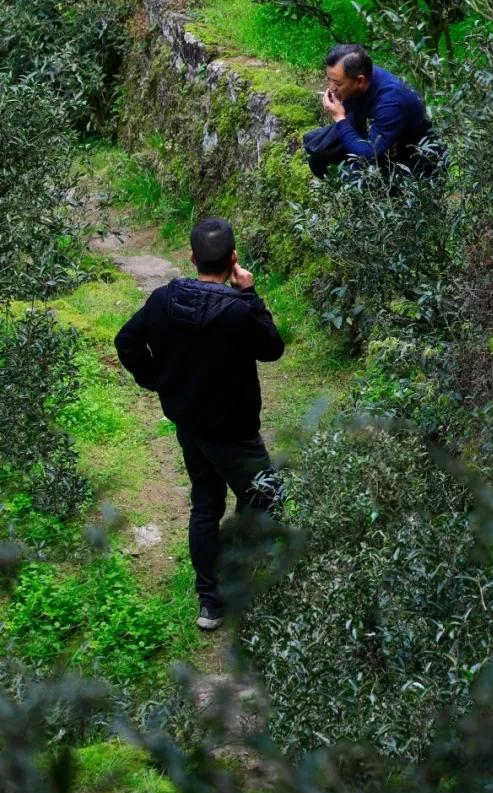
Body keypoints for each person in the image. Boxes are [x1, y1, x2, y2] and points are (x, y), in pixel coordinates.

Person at [114, 217, 285, 632]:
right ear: (233, 259)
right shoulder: (238, 311)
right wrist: (251, 293)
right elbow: (273, 349)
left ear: (191, 258)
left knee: (206, 506)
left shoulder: (161, 300)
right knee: (267, 499)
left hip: (191, 427)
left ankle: (211, 602)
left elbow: (126, 341)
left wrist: (155, 380)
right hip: (236, 434)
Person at [305, 43, 444, 180]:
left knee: (352, 178)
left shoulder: (391, 101)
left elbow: (369, 153)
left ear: (360, 81)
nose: (331, 87)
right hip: (383, 141)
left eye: (338, 84)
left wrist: (339, 118)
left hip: (415, 161)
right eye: (330, 80)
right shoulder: (362, 78)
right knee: (319, 160)